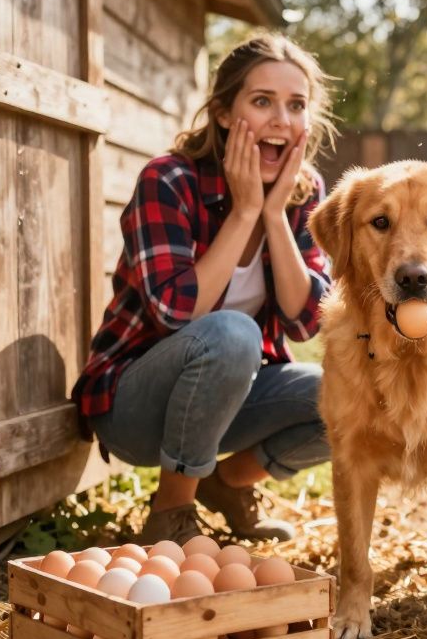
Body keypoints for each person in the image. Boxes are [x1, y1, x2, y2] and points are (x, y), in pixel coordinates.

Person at [71, 34, 336, 545]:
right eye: (262, 102)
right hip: (133, 405)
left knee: (351, 394)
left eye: (296, 105)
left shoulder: (304, 194)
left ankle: (227, 483)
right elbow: (175, 313)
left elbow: (307, 321)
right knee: (232, 334)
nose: (281, 119)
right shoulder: (169, 180)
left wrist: (275, 214)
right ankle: (171, 512)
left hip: (227, 402)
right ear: (221, 113)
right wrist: (244, 211)